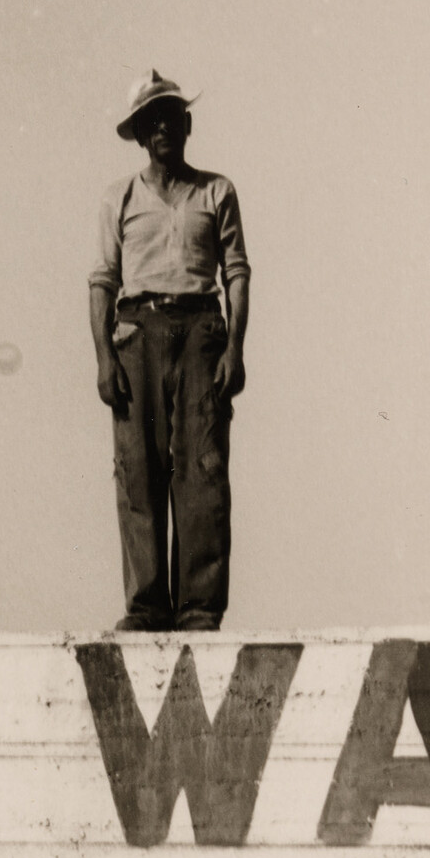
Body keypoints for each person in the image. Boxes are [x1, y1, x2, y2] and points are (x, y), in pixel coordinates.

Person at [89, 71, 250, 632]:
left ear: (188, 124)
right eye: (151, 121)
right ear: (139, 133)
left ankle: (199, 608)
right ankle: (147, 606)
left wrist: (235, 348)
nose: (162, 128)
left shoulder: (216, 191)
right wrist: (104, 358)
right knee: (137, 470)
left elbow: (236, 274)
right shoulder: (119, 197)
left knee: (202, 468)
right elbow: (102, 281)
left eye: (172, 117)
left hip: (202, 332)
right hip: (136, 333)